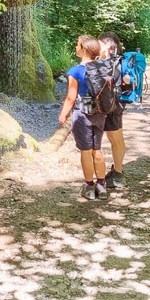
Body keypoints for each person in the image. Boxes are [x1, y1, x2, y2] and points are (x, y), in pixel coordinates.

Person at [58, 35, 108, 200]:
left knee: (86, 151)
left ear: (84, 49)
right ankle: (101, 185)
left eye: (77, 45)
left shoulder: (75, 71)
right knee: (97, 148)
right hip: (100, 113)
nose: (75, 47)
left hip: (83, 113)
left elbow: (71, 97)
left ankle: (88, 186)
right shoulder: (103, 67)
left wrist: (63, 114)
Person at [98, 32, 127, 188]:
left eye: (99, 44)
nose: (97, 46)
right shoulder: (118, 61)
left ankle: (118, 175)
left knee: (115, 139)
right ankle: (118, 169)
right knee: (117, 138)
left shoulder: (111, 63)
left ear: (108, 46)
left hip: (112, 105)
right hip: (118, 103)